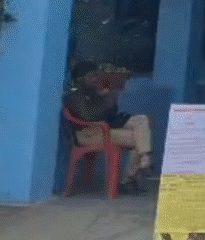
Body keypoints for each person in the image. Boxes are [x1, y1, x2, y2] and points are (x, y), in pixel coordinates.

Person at [65, 60, 154, 194]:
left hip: (104, 131)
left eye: (96, 75)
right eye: (90, 77)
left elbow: (110, 116)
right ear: (80, 79)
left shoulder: (95, 92)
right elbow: (89, 117)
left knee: (142, 121)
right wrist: (106, 102)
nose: (95, 79)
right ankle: (129, 179)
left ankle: (144, 158)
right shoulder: (76, 96)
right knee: (138, 138)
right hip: (88, 134)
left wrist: (110, 97)